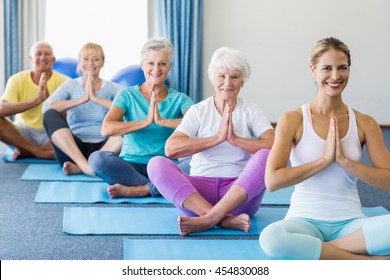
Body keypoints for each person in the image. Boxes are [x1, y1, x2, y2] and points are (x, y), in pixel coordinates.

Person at [259, 37, 390, 260]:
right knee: (271, 239)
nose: (335, 76)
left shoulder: (365, 122)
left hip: (351, 224)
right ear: (313, 70)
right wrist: (323, 161)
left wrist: (345, 162)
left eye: (342, 68)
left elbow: (387, 180)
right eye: (327, 68)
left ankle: (318, 250)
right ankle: (364, 263)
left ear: (349, 69)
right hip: (303, 222)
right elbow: (272, 181)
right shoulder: (293, 119)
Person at [147, 47, 275, 236]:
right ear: (213, 78)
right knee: (156, 164)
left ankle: (208, 219)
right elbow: (171, 149)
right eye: (221, 76)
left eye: (234, 77)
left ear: (243, 81)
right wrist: (216, 139)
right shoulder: (198, 110)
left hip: (239, 196)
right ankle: (223, 220)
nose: (227, 83)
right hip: (198, 195)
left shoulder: (251, 111)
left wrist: (235, 139)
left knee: (267, 155)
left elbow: (274, 146)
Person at [88, 38, 193, 198]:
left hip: (164, 166)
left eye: (162, 64)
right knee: (97, 159)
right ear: (142, 65)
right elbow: (107, 129)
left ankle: (142, 190)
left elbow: (199, 126)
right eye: (151, 63)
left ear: (169, 67)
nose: (156, 69)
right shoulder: (126, 95)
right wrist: (145, 122)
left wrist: (162, 121)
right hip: (131, 165)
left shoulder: (180, 99)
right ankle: (159, 187)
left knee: (195, 162)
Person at [43, 42, 123, 176]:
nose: (90, 63)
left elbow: (133, 106)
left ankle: (83, 168)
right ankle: (89, 167)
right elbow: (47, 106)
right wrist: (82, 99)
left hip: (105, 148)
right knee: (49, 115)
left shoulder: (111, 88)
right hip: (74, 150)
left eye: (96, 59)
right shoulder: (70, 85)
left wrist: (96, 99)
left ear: (102, 63)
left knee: (130, 121)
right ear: (79, 62)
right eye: (86, 59)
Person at [0, 41, 69, 160]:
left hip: (51, 133)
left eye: (46, 54)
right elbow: (2, 109)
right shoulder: (17, 79)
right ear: (31, 59)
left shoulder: (65, 81)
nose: (42, 57)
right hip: (24, 133)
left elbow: (70, 116)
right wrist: (36, 101)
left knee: (80, 126)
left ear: (53, 60)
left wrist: (48, 103)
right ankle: (39, 152)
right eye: (38, 54)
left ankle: (28, 151)